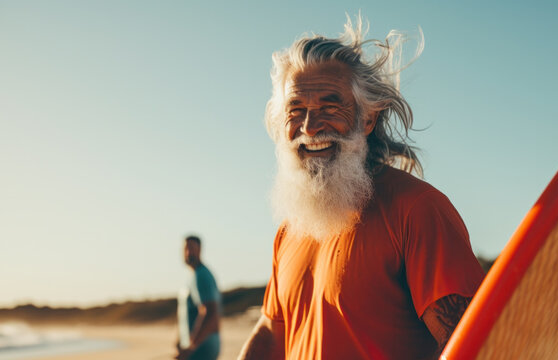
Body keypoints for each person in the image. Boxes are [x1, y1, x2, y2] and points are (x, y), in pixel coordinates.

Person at [238, 16, 485, 360]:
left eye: (329, 106)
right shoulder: (291, 229)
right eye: (297, 110)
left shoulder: (416, 208)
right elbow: (269, 333)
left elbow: (470, 343)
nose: (310, 127)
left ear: (367, 118)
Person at [176, 235, 221, 360]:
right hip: (196, 348)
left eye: (191, 248)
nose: (188, 252)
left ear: (200, 250)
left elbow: (210, 312)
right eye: (185, 249)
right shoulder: (194, 276)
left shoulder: (201, 275)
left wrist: (191, 346)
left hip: (201, 349)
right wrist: (179, 339)